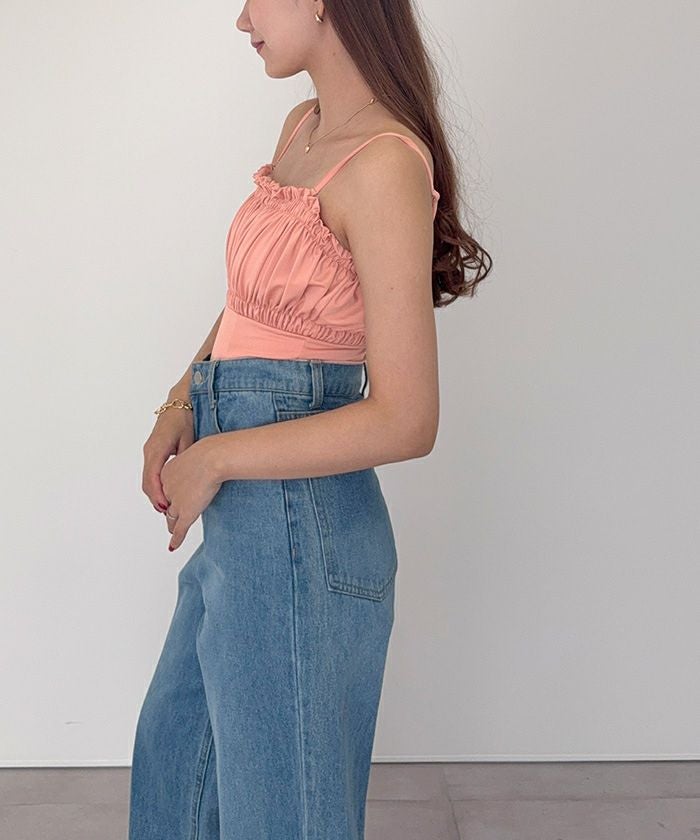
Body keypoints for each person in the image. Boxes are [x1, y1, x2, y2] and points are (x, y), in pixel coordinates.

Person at [128, 1, 491, 837]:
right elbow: (252, 305)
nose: (241, 18)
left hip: (300, 529)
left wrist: (219, 457)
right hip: (247, 523)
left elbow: (407, 419)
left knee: (279, 816)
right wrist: (181, 401)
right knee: (175, 776)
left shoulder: (386, 164)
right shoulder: (303, 127)